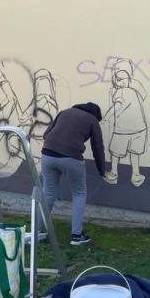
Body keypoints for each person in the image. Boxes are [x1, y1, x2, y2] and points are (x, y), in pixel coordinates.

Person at [39, 102, 106, 245]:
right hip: (72, 158)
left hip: (47, 155)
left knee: (48, 193)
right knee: (79, 193)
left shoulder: (65, 111)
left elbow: (46, 134)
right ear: (96, 115)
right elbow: (97, 147)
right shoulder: (92, 120)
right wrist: (102, 169)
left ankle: (36, 232)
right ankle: (76, 235)